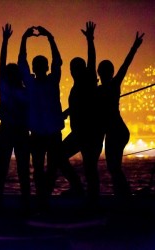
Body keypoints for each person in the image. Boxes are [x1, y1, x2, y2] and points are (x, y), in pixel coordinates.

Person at [18, 26, 81, 211]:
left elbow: (23, 63)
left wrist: (25, 38)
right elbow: (57, 62)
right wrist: (49, 37)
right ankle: (44, 199)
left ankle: (42, 199)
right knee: (48, 168)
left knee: (42, 168)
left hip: (42, 132)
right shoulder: (51, 81)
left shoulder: (32, 84)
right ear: (45, 67)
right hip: (49, 132)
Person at [97, 32, 144, 198]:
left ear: (99, 73)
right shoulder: (111, 86)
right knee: (113, 167)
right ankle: (123, 194)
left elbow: (125, 65)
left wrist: (134, 48)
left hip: (115, 132)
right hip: (117, 131)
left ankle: (124, 196)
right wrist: (134, 47)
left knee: (113, 167)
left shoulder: (102, 89)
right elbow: (125, 65)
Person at [64, 21, 104, 204]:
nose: (73, 71)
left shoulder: (87, 80)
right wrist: (67, 112)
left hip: (89, 133)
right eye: (72, 68)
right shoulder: (78, 85)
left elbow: (92, 59)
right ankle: (80, 189)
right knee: (62, 156)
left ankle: (90, 199)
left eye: (75, 68)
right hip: (81, 132)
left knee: (89, 167)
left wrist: (90, 40)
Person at [0, 23, 31, 213]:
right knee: (21, 169)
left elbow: (2, 65)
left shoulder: (5, 89)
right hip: (19, 131)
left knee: (5, 168)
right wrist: (6, 42)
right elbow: (5, 64)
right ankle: (25, 204)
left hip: (10, 130)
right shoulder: (22, 91)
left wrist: (5, 41)